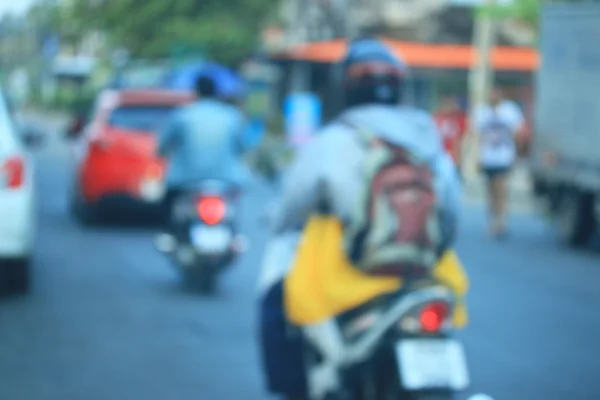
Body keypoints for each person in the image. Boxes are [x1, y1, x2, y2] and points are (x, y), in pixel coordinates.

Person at [257, 37, 461, 400]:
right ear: (399, 86)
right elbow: (451, 211)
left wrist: (278, 222)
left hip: (345, 272)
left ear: (346, 88)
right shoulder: (428, 138)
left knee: (276, 303)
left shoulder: (333, 139)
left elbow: (292, 206)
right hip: (422, 272)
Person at [157, 75, 249, 221]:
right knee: (233, 213)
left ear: (196, 92)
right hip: (227, 179)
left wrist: (162, 152)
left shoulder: (183, 115)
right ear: (217, 93)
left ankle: (170, 236)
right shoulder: (232, 116)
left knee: (170, 211)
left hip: (186, 180)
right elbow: (243, 146)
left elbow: (163, 146)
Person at [473, 85, 525, 238]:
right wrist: (476, 157)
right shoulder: (482, 112)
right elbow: (477, 136)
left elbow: (518, 134)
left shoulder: (510, 111)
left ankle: (501, 221)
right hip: (488, 157)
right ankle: (493, 219)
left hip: (504, 156)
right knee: (490, 191)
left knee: (501, 189)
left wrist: (517, 155)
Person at [434, 95, 468, 172]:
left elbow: (463, 139)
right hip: (440, 156)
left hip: (455, 156)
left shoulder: (460, 119)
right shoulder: (437, 119)